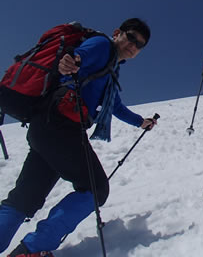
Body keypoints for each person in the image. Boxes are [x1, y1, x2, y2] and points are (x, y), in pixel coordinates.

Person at [0, 18, 158, 257]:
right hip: (61, 127)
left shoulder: (110, 70)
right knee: (96, 189)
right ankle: (33, 249)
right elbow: (78, 56)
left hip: (46, 127)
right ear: (118, 33)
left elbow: (114, 106)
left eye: (139, 45)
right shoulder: (102, 46)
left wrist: (141, 122)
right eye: (131, 37)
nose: (133, 46)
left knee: (25, 197)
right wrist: (71, 62)